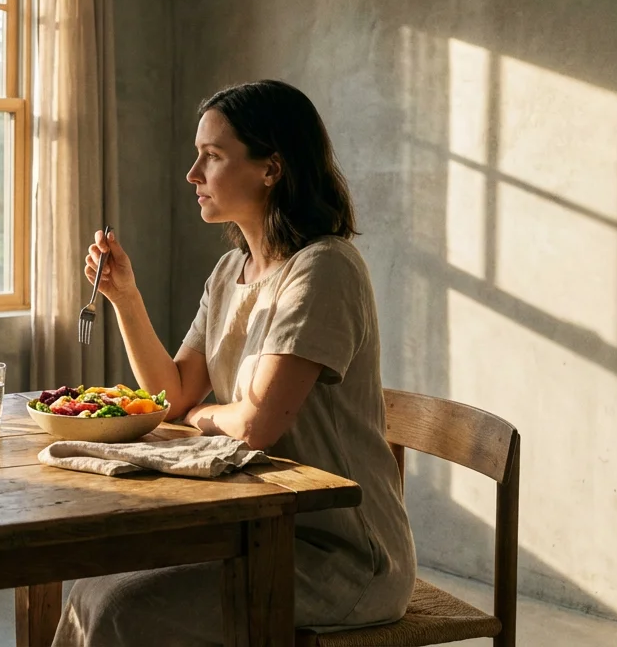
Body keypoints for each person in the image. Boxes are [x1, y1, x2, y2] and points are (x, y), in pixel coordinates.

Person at [52, 80, 416, 646]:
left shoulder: (324, 270)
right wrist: (125, 297)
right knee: (89, 589)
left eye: (213, 157)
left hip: (338, 554)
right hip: (254, 527)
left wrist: (202, 417)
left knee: (119, 607)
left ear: (271, 169)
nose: (193, 174)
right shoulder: (230, 272)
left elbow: (254, 427)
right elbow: (172, 398)